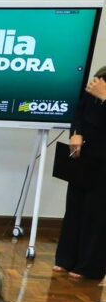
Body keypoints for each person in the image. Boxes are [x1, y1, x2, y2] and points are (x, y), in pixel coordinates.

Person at [55, 67, 106, 280]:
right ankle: (66, 259)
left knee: (97, 213)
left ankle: (89, 266)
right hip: (83, 155)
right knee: (74, 207)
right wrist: (75, 133)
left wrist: (105, 97)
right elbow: (79, 112)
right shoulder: (100, 78)